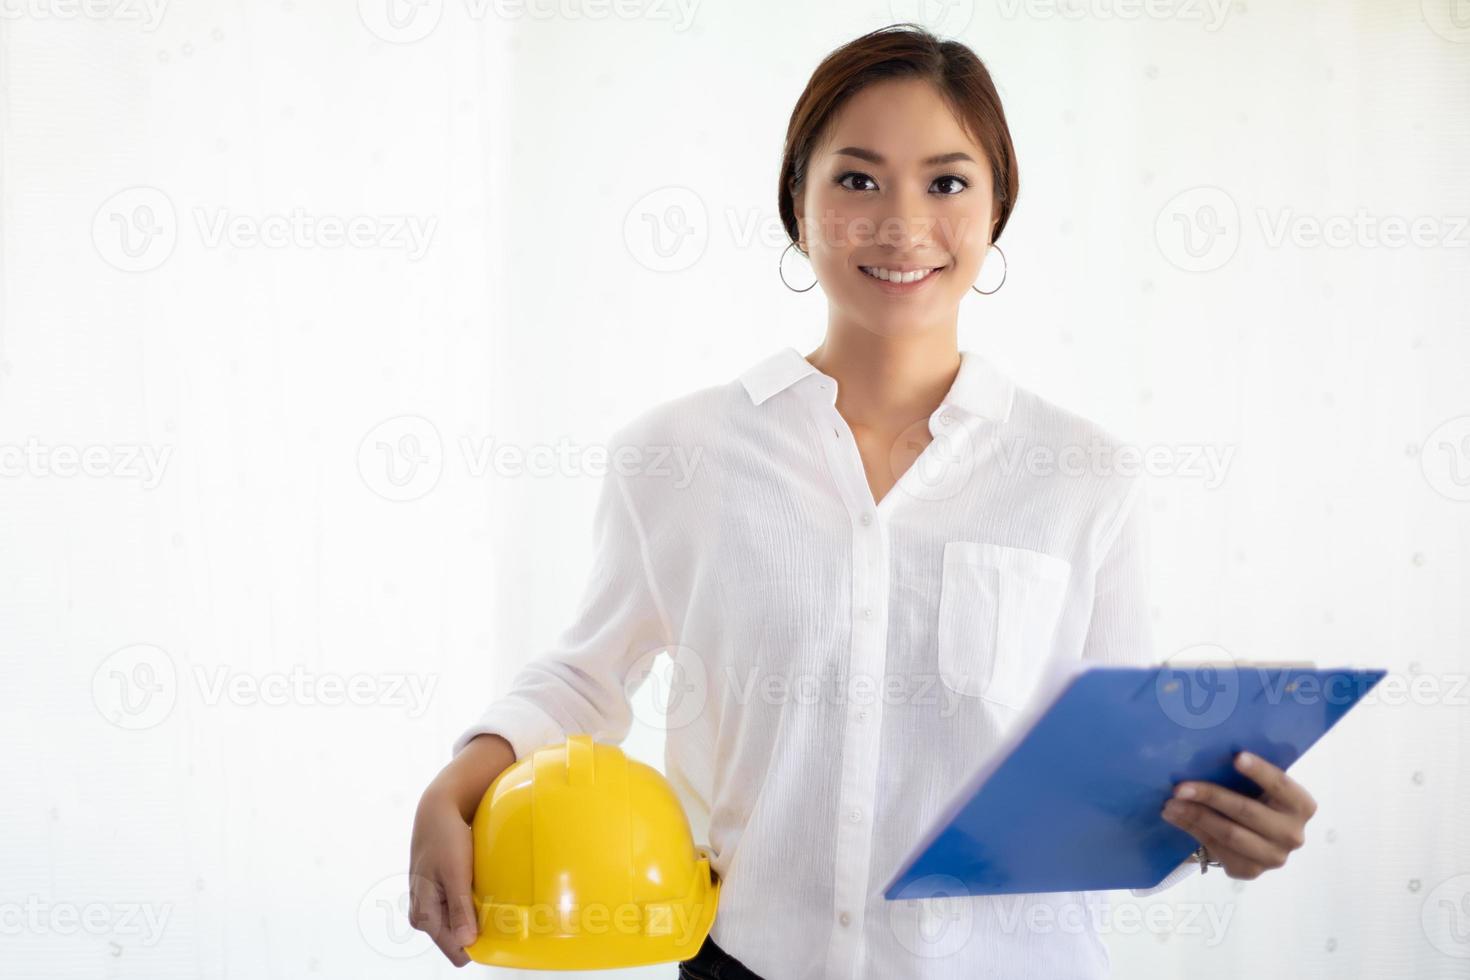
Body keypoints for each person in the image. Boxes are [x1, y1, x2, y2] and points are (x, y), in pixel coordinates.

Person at [409, 22, 1318, 979]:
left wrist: (1219, 833)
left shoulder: (1085, 476)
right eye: (856, 178)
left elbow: (1114, 771)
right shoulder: (677, 456)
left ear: (997, 205)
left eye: (947, 181)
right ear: (794, 204)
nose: (902, 222)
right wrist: (453, 788)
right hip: (748, 962)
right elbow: (585, 679)